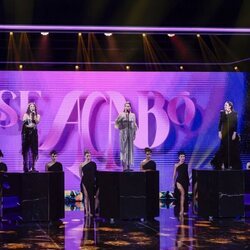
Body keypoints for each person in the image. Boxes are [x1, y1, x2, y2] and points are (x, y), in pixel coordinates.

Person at [211, 101, 241, 169]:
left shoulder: (234, 114)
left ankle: (229, 165)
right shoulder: (222, 113)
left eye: (226, 105)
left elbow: (235, 124)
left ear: (230, 106)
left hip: (231, 133)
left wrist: (234, 133)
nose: (225, 106)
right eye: (224, 105)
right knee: (222, 149)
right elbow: (220, 124)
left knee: (230, 149)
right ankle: (220, 164)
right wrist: (219, 132)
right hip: (224, 134)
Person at [115, 101, 138, 171]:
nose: (127, 107)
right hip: (123, 134)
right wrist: (121, 127)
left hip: (130, 133)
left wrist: (134, 133)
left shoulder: (133, 115)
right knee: (124, 150)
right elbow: (116, 123)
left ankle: (128, 167)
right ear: (124, 107)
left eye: (128, 106)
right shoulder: (121, 114)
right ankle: (124, 167)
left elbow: (134, 125)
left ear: (130, 107)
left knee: (130, 150)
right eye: (126, 106)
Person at [21, 103, 40, 172]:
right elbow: (24, 123)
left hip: (33, 134)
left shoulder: (37, 115)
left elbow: (37, 122)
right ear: (29, 107)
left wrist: (34, 115)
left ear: (35, 108)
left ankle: (33, 167)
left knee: (34, 150)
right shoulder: (25, 115)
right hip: (26, 134)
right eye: (31, 106)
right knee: (25, 150)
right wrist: (30, 124)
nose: (32, 107)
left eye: (33, 106)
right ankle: (25, 166)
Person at [79, 150, 98, 217]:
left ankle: (91, 211)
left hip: (91, 182)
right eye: (87, 156)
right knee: (86, 197)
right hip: (84, 181)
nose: (88, 157)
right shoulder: (81, 165)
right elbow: (80, 175)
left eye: (89, 156)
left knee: (91, 197)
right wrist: (83, 181)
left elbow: (95, 173)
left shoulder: (93, 164)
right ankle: (86, 211)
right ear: (84, 156)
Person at [172, 151, 190, 217]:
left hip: (185, 181)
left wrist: (188, 182)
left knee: (184, 195)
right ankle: (181, 210)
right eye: (181, 156)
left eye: (184, 156)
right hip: (179, 181)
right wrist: (173, 183)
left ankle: (184, 210)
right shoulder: (176, 165)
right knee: (182, 193)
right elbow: (174, 175)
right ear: (179, 157)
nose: (183, 158)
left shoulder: (186, 165)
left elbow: (186, 174)